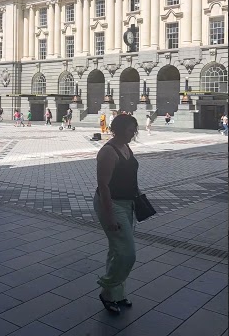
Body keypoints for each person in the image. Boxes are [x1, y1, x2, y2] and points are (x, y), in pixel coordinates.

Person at [93, 114, 140, 314]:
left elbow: (129, 176)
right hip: (112, 204)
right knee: (127, 253)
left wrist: (137, 198)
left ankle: (116, 295)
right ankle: (106, 288)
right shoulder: (108, 152)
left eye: (134, 130)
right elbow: (103, 186)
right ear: (119, 129)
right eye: (131, 130)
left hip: (128, 203)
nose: (133, 134)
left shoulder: (125, 147)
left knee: (116, 249)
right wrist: (110, 215)